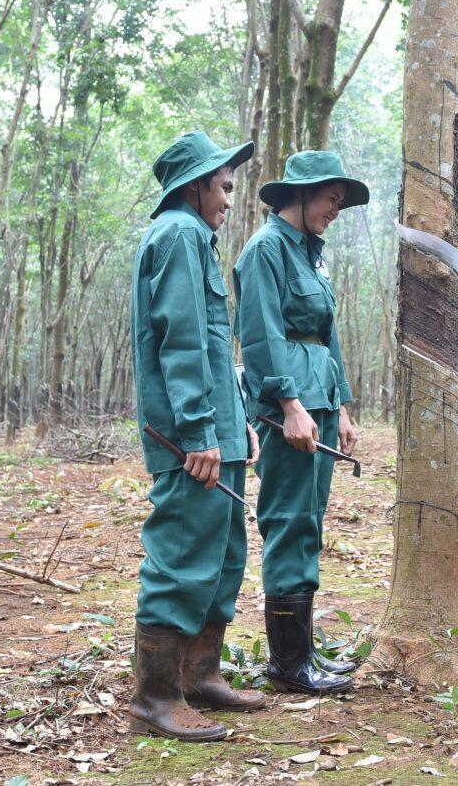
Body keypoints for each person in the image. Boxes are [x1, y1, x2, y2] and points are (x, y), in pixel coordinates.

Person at [129, 130, 265, 741]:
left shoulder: (195, 239)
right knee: (183, 559)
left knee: (223, 558)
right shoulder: (179, 234)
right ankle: (155, 700)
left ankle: (198, 675)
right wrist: (199, 436)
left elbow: (214, 350)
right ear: (195, 185)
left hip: (216, 433)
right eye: (226, 187)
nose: (230, 200)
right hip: (191, 440)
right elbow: (180, 342)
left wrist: (234, 427)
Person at [234, 151, 365, 695]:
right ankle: (287, 665)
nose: (335, 209)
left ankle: (302, 650)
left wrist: (343, 406)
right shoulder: (266, 250)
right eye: (331, 199)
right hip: (289, 408)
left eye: (339, 201)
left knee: (309, 520)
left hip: (321, 403)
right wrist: (289, 406)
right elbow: (261, 335)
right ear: (301, 194)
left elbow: (326, 335)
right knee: (288, 519)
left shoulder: (312, 256)